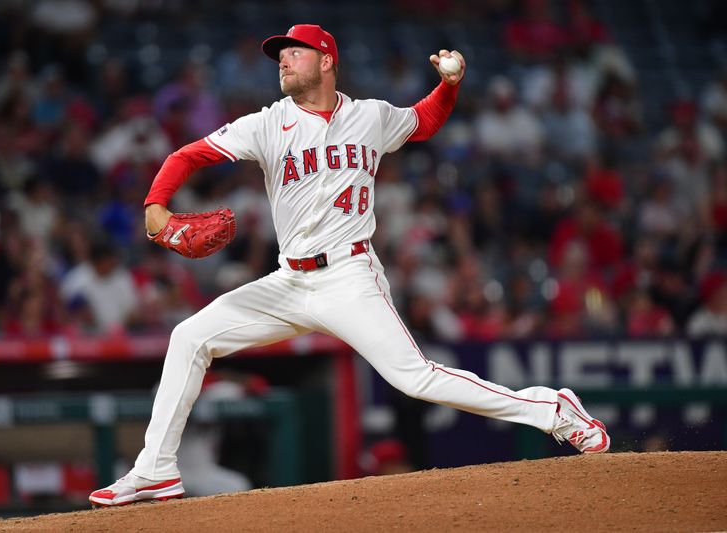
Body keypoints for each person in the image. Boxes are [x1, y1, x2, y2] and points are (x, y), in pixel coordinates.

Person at [89, 24, 610, 507]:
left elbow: (424, 121)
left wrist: (449, 85)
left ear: (326, 61)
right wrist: (156, 206)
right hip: (289, 280)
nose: (284, 61)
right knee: (189, 337)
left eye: (294, 52)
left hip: (349, 276)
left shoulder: (371, 116)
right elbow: (189, 156)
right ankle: (155, 468)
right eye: (280, 55)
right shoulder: (269, 123)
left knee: (415, 380)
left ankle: (551, 410)